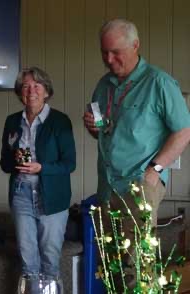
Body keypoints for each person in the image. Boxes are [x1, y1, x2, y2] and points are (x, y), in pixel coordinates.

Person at [83, 18, 190, 287]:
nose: (109, 59)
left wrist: (155, 170)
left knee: (136, 267)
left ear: (135, 46)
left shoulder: (159, 83)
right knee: (110, 265)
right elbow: (103, 129)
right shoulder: (103, 85)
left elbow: (184, 132)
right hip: (107, 186)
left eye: (115, 52)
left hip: (139, 186)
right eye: (104, 52)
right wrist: (94, 128)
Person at [0, 67, 76, 287]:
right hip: (21, 194)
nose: (31, 90)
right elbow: (4, 164)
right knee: (27, 261)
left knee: (50, 260)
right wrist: (15, 161)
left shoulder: (60, 121)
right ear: (19, 92)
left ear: (46, 92)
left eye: (36, 86)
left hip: (52, 197)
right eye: (25, 86)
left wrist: (41, 168)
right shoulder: (12, 121)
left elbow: (69, 164)